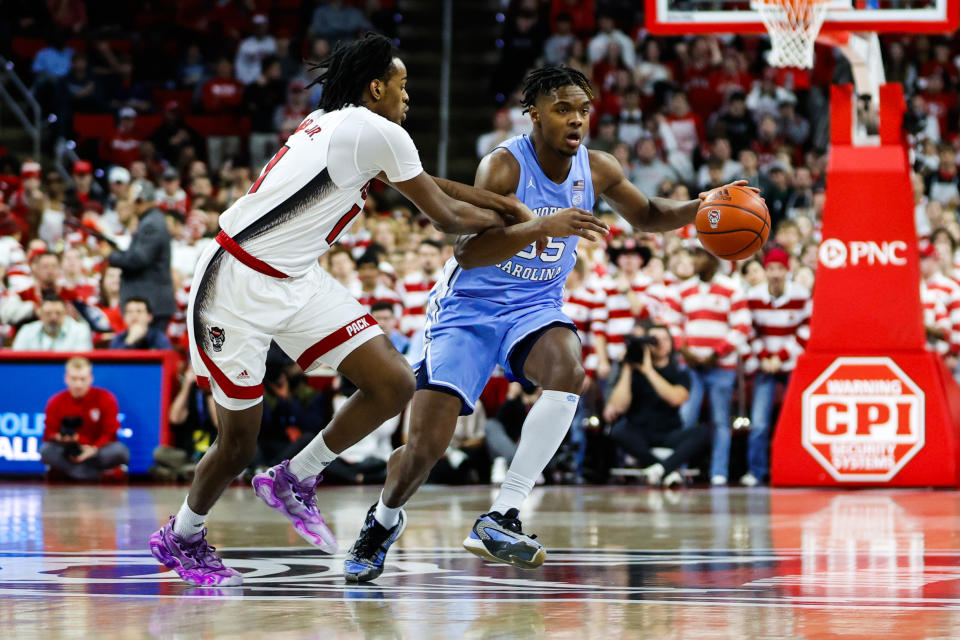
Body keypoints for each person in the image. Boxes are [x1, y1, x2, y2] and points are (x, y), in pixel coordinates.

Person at [342, 65, 759, 582]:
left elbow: (649, 213)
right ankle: (383, 521)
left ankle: (503, 515)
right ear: (534, 114)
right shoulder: (503, 167)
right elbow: (469, 253)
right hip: (469, 309)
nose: (576, 119)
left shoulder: (598, 168)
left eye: (583, 109)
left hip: (535, 305)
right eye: (563, 109)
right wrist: (541, 225)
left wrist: (703, 206)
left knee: (567, 367)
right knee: (425, 449)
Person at [148, 34, 533, 587]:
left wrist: (500, 203)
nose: (409, 96)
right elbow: (445, 215)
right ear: (376, 87)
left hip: (296, 279)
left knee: (394, 382)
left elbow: (420, 182)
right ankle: (181, 534)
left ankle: (295, 477)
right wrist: (525, 223)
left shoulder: (342, 124)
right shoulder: (376, 131)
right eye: (402, 86)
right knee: (237, 442)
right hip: (234, 283)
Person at [676, 247, 751, 486]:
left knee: (720, 421)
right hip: (691, 366)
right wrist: (684, 350)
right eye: (693, 255)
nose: (694, 260)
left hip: (721, 366)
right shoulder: (683, 289)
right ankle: (679, 468)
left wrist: (716, 354)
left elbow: (742, 327)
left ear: (712, 259)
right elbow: (671, 323)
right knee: (686, 417)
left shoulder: (732, 288)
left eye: (699, 256)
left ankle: (719, 472)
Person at [603, 323, 706, 488]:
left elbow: (676, 398)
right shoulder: (633, 370)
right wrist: (628, 368)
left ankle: (659, 469)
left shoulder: (680, 372)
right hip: (639, 432)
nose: (661, 343)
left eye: (665, 339)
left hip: (669, 432)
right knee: (618, 430)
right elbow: (618, 407)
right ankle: (665, 470)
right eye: (655, 340)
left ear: (672, 343)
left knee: (704, 431)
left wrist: (648, 370)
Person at [742, 249, 811, 486]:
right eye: (771, 269)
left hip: (790, 365)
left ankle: (797, 470)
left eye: (780, 269)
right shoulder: (753, 295)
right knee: (759, 423)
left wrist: (779, 357)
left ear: (787, 270)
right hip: (765, 365)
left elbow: (805, 332)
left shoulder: (801, 295)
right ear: (765, 270)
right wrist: (764, 356)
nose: (775, 274)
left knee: (795, 420)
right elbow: (749, 330)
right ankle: (756, 471)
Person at [40, 357, 130, 480]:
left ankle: (75, 474)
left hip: (96, 452)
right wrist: (61, 438)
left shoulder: (106, 398)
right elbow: (48, 435)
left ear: (90, 378)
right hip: (69, 452)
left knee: (120, 451)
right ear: (66, 378)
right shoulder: (55, 401)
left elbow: (110, 433)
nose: (78, 384)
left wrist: (93, 449)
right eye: (74, 379)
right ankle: (94, 475)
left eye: (82, 379)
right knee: (46, 450)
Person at [103, 181, 175, 333]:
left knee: (149, 351)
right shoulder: (151, 220)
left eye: (131, 200)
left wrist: (111, 255)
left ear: (140, 200)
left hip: (151, 303)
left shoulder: (151, 224)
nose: (129, 205)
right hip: (149, 301)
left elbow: (138, 259)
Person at [12, 294, 93, 351]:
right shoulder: (27, 330)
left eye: (58, 313)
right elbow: (16, 361)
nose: (53, 318)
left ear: (65, 313)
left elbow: (81, 361)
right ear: (40, 314)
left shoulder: (80, 330)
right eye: (48, 313)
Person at [109, 297, 173, 350]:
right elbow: (113, 363)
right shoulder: (118, 339)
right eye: (129, 312)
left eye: (139, 311)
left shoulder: (159, 337)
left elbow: (167, 358)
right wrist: (130, 340)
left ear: (149, 317)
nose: (134, 315)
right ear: (124, 317)